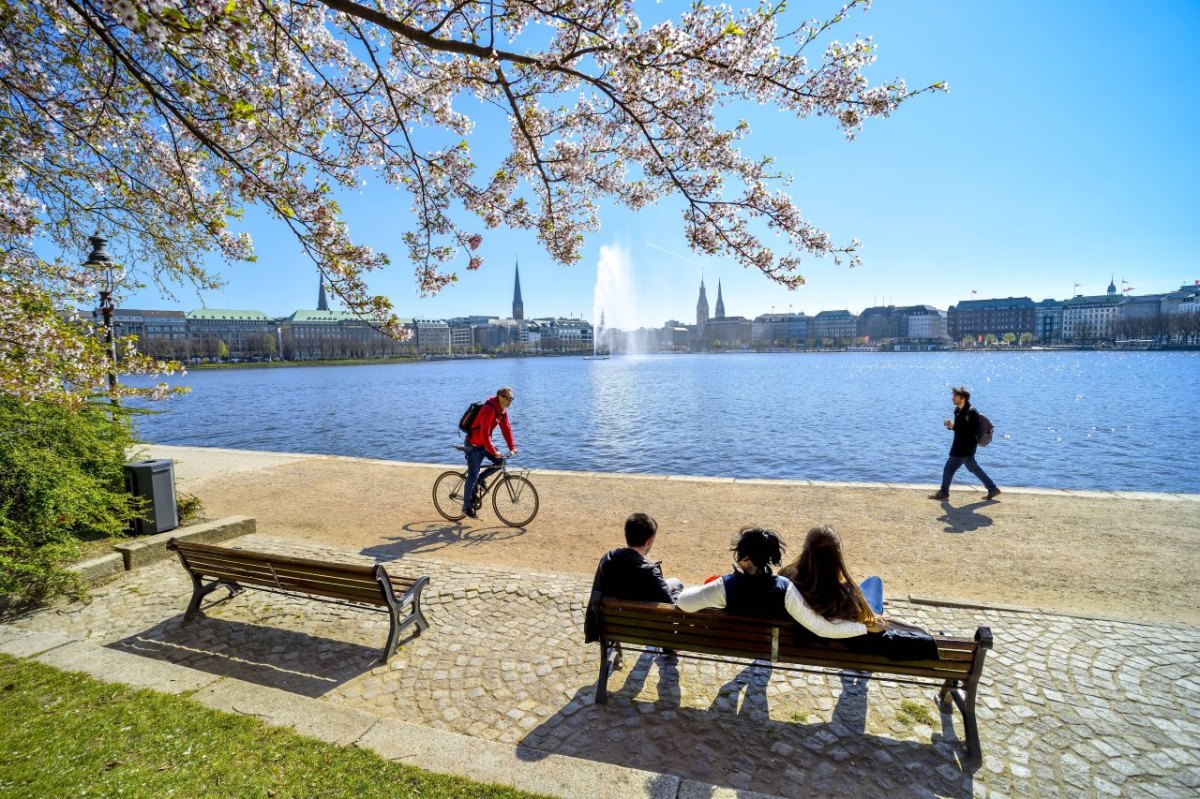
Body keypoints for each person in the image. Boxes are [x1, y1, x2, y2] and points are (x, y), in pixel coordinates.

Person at [675, 527, 884, 638]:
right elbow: (821, 628)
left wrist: (697, 589)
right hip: (768, 643)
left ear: (745, 559)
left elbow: (684, 602)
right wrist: (864, 628)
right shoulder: (785, 588)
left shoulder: (723, 587)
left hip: (735, 642)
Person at [584, 512, 682, 644]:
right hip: (648, 631)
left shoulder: (607, 559)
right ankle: (668, 646)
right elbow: (670, 608)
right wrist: (675, 592)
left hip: (611, 627)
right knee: (676, 583)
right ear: (649, 541)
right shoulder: (650, 572)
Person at [778, 525, 884, 626]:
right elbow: (866, 624)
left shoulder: (786, 582)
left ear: (805, 551)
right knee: (874, 585)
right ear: (836, 558)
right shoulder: (845, 600)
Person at [929, 386, 1000, 501]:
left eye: (955, 396)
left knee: (948, 469)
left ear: (962, 398)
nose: (952, 398)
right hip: (966, 448)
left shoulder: (971, 412)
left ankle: (944, 492)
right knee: (974, 468)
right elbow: (962, 429)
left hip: (962, 448)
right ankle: (992, 489)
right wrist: (952, 426)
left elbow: (971, 432)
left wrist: (954, 426)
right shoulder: (958, 410)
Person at [462, 386, 518, 518]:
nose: (510, 401)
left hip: (485, 445)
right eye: (508, 398)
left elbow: (507, 430)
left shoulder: (502, 411)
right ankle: (466, 506)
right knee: (472, 475)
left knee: (501, 461)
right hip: (474, 445)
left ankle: (481, 479)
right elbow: (484, 434)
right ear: (500, 397)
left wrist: (512, 447)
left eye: (512, 399)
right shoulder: (488, 410)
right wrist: (493, 450)